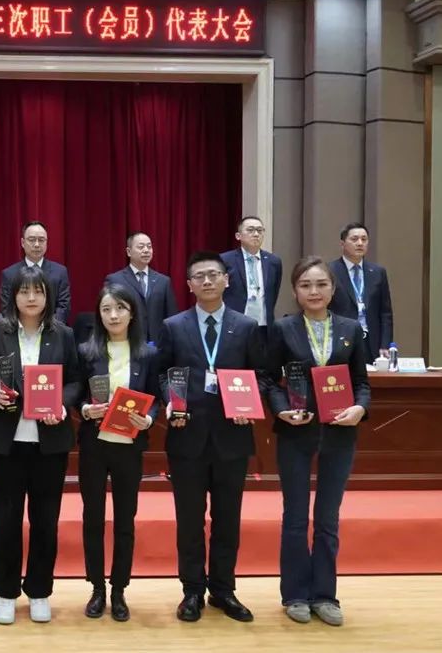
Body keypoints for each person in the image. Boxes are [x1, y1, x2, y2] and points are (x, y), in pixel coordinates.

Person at [156, 251, 267, 624]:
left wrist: (250, 403)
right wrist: (170, 402)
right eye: (199, 276)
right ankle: (191, 591)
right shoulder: (173, 326)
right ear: (189, 285)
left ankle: (223, 589)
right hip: (186, 436)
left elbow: (261, 376)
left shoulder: (246, 326)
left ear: (226, 280)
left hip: (231, 437)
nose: (207, 281)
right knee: (189, 520)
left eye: (213, 274)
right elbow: (162, 373)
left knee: (227, 519)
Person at [267, 256, 370, 627]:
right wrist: (281, 410)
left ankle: (325, 595)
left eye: (321, 284)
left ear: (333, 288)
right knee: (295, 517)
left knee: (328, 518)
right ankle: (295, 594)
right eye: (306, 285)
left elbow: (361, 382)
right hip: (296, 432)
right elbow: (268, 380)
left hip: (340, 433)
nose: (314, 291)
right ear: (295, 290)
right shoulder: (283, 329)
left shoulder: (350, 328)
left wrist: (359, 408)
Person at [0, 265, 81, 625]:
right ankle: (5, 592)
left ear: (48, 296)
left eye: (38, 291)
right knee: (6, 521)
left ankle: (39, 590)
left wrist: (61, 405)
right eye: (24, 291)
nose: (31, 297)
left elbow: (75, 382)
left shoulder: (63, 334)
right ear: (14, 296)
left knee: (45, 521)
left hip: (49, 444)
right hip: (7, 443)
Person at [76, 283, 161, 622]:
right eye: (107, 309)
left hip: (129, 448)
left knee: (125, 521)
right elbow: (75, 395)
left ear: (132, 313)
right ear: (99, 314)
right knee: (93, 519)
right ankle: (97, 588)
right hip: (94, 446)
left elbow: (157, 396)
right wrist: (85, 409)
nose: (113, 315)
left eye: (120, 308)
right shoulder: (86, 351)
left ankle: (119, 589)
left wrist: (148, 419)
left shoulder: (147, 354)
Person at [328, 222, 394, 361]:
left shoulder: (377, 272)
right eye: (354, 239)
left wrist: (385, 344)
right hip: (342, 339)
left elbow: (385, 312)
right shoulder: (330, 271)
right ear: (342, 244)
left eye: (364, 239)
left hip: (371, 341)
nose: (360, 243)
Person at [104, 232, 178, 342]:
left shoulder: (163, 281)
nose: (146, 250)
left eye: (149, 246)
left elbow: (172, 316)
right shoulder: (115, 280)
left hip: (158, 344)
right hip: (128, 342)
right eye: (141, 247)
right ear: (129, 252)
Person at [221, 216, 283, 343]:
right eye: (250, 230)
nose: (256, 234)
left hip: (263, 325)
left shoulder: (273, 261)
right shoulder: (225, 260)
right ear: (238, 236)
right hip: (234, 324)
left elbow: (274, 292)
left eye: (260, 230)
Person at [0, 221, 71, 324]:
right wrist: (25, 327)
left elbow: (63, 307)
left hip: (52, 329)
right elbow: (7, 309)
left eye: (41, 240)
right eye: (32, 240)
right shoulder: (9, 274)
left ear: (46, 242)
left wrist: (46, 328)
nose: (37, 244)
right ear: (23, 243)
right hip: (19, 330)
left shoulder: (60, 272)